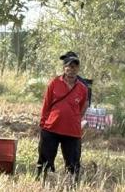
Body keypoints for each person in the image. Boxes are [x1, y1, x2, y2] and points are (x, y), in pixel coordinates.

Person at [37, 52, 89, 180]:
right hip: (51, 128)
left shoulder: (82, 88)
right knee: (45, 161)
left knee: (73, 165)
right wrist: (43, 123)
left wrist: (74, 119)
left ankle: (71, 185)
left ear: (78, 69)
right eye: (69, 67)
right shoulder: (54, 83)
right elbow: (46, 104)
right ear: (64, 68)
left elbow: (82, 107)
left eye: (75, 67)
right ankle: (43, 182)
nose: (72, 70)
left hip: (72, 131)